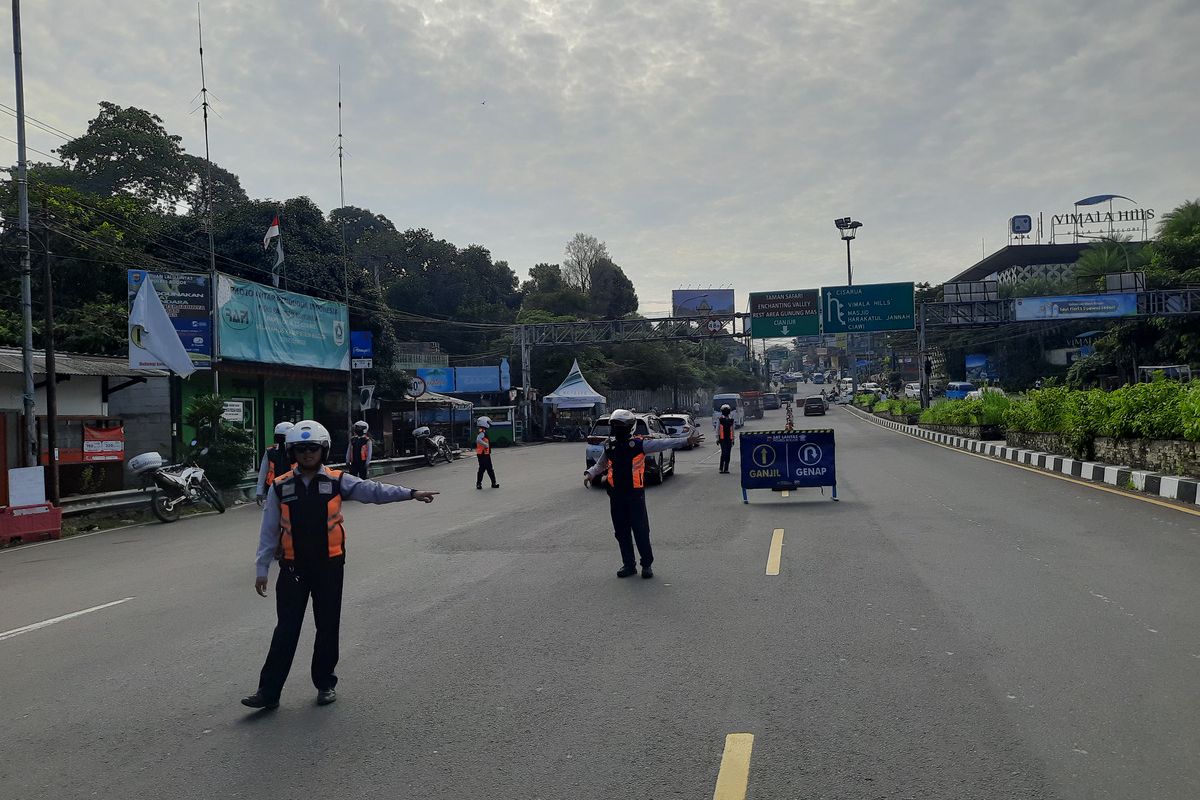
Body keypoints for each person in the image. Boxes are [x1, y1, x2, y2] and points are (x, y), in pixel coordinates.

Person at [241, 420, 437, 710]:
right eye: (301, 449)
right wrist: (261, 569)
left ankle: (325, 684)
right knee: (286, 629)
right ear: (293, 452)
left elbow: (372, 491)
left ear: (323, 450)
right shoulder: (280, 486)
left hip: (329, 566)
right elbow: (269, 531)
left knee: (327, 626)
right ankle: (268, 692)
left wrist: (410, 493)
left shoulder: (336, 481)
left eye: (313, 448)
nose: (308, 454)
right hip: (293, 569)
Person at [583, 409, 698, 579]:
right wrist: (590, 474)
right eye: (614, 425)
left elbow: (664, 443)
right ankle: (628, 565)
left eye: (620, 425)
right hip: (616, 495)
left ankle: (646, 564)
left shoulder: (639, 444)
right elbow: (601, 464)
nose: (616, 429)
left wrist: (686, 440)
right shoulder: (610, 446)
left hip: (634, 495)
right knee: (621, 532)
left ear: (629, 427)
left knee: (641, 530)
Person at [255, 422, 295, 506]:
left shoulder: (296, 451)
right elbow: (263, 472)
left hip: (292, 488)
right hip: (273, 488)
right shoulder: (270, 452)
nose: (281, 441)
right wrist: (259, 491)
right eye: (278, 437)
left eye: (282, 438)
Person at [475, 416, 499, 490]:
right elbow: (478, 440)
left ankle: (493, 483)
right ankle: (480, 484)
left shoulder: (482, 430)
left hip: (485, 453)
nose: (489, 424)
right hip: (482, 454)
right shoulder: (482, 431)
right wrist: (485, 445)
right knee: (484, 469)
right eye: (488, 422)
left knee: (488, 469)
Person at [716, 404, 736, 474]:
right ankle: (721, 468)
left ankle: (726, 468)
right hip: (722, 439)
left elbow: (733, 430)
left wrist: (733, 439)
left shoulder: (731, 420)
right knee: (724, 453)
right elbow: (717, 429)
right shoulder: (720, 419)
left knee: (728, 454)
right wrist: (717, 438)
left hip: (729, 439)